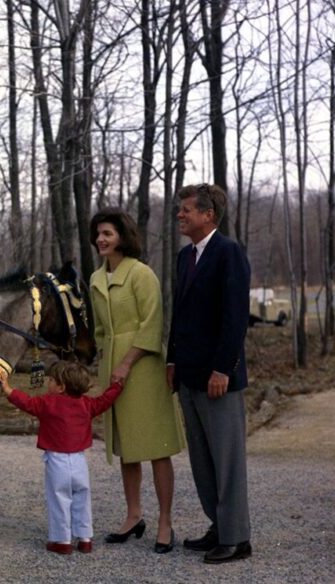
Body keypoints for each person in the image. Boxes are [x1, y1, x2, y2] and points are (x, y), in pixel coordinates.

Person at [88, 207, 185, 554]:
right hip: (112, 367)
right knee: (127, 447)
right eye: (99, 233)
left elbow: (152, 325)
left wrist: (127, 364)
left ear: (122, 237)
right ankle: (133, 516)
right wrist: (105, 362)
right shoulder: (96, 279)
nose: (101, 239)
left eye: (108, 233)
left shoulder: (142, 274)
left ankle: (165, 522)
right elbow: (100, 331)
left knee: (155, 446)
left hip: (142, 368)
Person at [166, 184, 252, 564]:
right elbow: (180, 316)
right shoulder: (186, 256)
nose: (180, 215)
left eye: (186, 210)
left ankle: (237, 540)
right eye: (180, 210)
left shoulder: (228, 253)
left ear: (208, 215)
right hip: (188, 375)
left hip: (219, 379)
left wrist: (223, 369)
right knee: (202, 460)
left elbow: (235, 319)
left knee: (227, 460)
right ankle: (218, 527)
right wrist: (172, 362)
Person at [0, 361, 123, 555]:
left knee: (59, 499)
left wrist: (8, 389)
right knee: (82, 497)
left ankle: (61, 540)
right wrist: (117, 386)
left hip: (57, 460)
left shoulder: (47, 402)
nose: (48, 382)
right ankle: (85, 538)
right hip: (79, 460)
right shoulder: (87, 404)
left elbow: (26, 402)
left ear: (61, 387)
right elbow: (104, 401)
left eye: (51, 380)